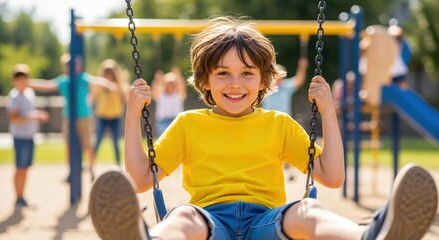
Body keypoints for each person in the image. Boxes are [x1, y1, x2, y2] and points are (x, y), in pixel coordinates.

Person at [89, 16, 438, 240]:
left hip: (267, 223)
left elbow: (331, 177)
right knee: (182, 216)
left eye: (247, 73)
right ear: (205, 82)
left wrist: (328, 113)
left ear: (264, 80)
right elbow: (137, 180)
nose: (235, 83)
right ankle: (147, 239)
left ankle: (371, 237)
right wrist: (132, 116)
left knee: (307, 210)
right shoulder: (188, 124)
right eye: (222, 73)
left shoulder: (278, 125)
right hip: (211, 222)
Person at [29, 54, 114, 181]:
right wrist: (29, 83)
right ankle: (71, 171)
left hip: (84, 116)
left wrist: (109, 85)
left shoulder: (82, 78)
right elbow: (47, 85)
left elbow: (97, 81)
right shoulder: (64, 80)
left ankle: (91, 168)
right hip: (68, 116)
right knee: (69, 144)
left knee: (87, 145)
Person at [7, 64, 49, 209]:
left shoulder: (30, 93)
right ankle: (18, 198)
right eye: (20, 78)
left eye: (25, 77)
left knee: (25, 168)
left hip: (30, 135)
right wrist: (34, 116)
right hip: (20, 137)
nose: (23, 81)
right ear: (15, 80)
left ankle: (22, 197)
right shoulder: (14, 96)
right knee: (20, 167)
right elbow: (15, 119)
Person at [89, 59, 129, 166]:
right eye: (106, 71)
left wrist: (119, 82)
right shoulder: (100, 84)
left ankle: (118, 165)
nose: (109, 74)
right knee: (97, 142)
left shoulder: (120, 85)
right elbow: (91, 99)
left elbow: (126, 98)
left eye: (111, 71)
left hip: (115, 117)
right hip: (102, 116)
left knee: (116, 143)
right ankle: (91, 164)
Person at [151, 66, 186, 137]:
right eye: (168, 83)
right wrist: (157, 80)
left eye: (172, 83)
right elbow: (154, 91)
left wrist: (178, 76)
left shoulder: (178, 95)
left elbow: (182, 86)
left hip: (176, 120)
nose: (170, 85)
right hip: (163, 121)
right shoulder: (161, 95)